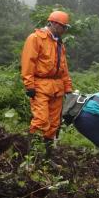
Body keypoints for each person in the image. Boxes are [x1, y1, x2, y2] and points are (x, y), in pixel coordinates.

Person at [20, 11, 73, 145]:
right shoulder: (35, 38)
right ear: (54, 23)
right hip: (40, 86)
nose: (64, 30)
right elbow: (28, 63)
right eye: (63, 27)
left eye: (66, 27)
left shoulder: (60, 43)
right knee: (41, 121)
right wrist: (29, 85)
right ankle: (31, 156)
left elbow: (64, 68)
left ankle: (47, 156)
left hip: (57, 88)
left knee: (54, 123)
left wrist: (68, 87)